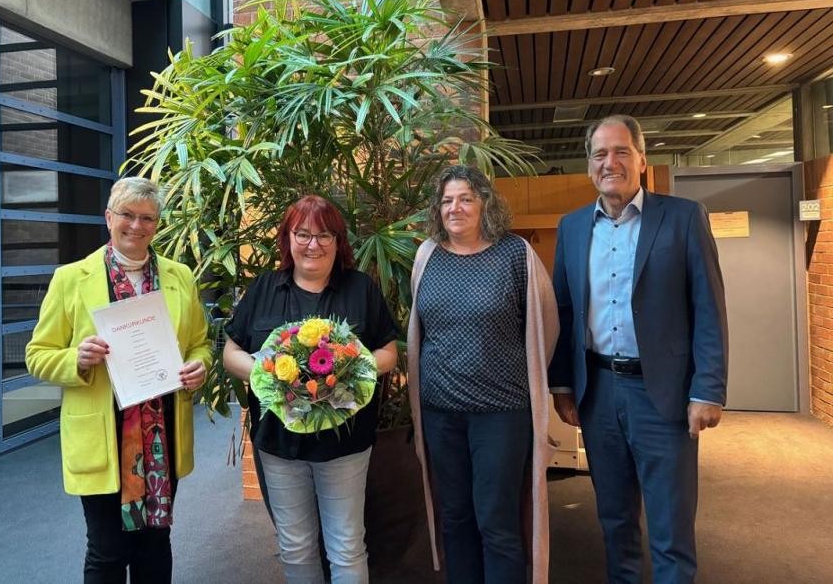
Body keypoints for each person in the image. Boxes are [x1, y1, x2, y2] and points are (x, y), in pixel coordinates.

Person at [550, 115, 728, 584]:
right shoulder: (571, 228)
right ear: (589, 165)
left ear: (643, 160)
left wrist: (708, 389)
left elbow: (708, 307)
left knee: (671, 530)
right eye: (600, 154)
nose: (611, 162)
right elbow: (564, 312)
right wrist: (564, 384)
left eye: (621, 151)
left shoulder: (683, 217)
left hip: (663, 396)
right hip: (600, 393)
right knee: (615, 523)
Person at [25, 177, 212, 584]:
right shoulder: (72, 278)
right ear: (109, 217)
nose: (136, 225)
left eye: (147, 218)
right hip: (102, 434)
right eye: (127, 215)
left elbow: (199, 343)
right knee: (107, 551)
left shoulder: (180, 276)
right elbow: (37, 355)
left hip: (161, 436)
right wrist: (76, 358)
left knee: (155, 546)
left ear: (157, 224)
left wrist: (199, 366)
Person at [222, 195, 399, 584]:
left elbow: (389, 350)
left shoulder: (360, 289)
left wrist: (354, 367)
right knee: (296, 545)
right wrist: (267, 372)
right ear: (288, 239)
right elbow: (230, 351)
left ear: (338, 241)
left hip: (345, 445)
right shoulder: (265, 287)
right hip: (278, 444)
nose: (313, 244)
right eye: (302, 234)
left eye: (324, 235)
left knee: (347, 544)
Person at [406, 165, 560, 584]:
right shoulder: (427, 255)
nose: (455, 208)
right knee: (455, 516)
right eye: (447, 201)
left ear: (485, 204)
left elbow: (545, 326)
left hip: (502, 413)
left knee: (497, 522)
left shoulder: (515, 254)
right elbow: (421, 331)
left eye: (466, 199)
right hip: (441, 413)